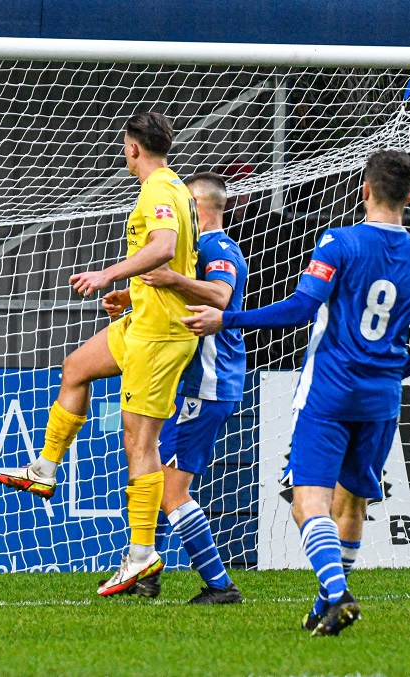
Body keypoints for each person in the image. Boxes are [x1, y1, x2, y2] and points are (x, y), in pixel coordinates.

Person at [183, 150, 410, 635]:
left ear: (364, 190)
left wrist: (228, 317)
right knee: (355, 503)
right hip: (383, 398)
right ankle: (327, 603)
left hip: (329, 391)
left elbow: (301, 309)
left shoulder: (338, 242)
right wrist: (391, 370)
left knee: (309, 503)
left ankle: (337, 594)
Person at [0, 111, 200, 598]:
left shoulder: (159, 189)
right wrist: (131, 294)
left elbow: (165, 248)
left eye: (123, 145)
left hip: (161, 335)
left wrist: (108, 276)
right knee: (76, 368)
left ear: (132, 147)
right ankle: (44, 469)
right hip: (142, 319)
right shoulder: (174, 188)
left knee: (139, 444)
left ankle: (143, 556)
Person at [130, 172, 247, 604]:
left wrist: (173, 280)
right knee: (155, 475)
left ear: (197, 210)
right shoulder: (196, 251)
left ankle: (221, 585)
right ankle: (146, 572)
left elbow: (219, 295)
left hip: (207, 384)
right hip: (192, 383)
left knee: (171, 488)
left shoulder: (218, 247)